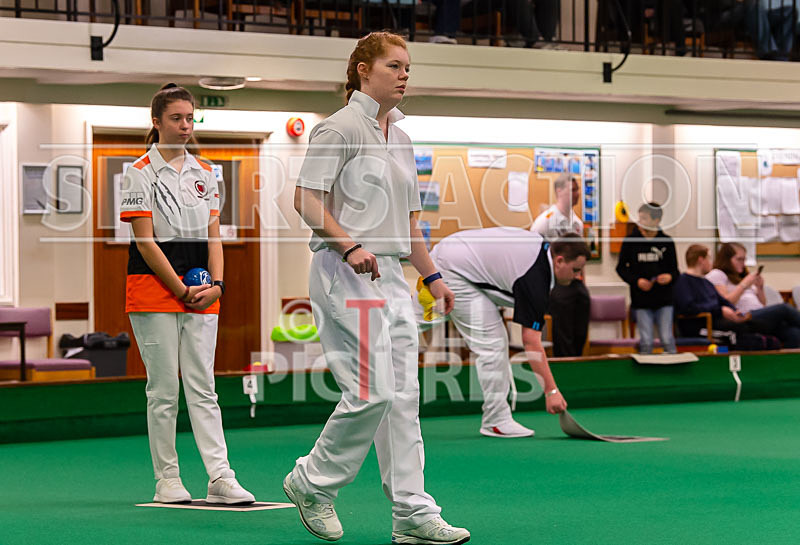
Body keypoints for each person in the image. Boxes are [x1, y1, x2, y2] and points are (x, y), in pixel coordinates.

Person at [286, 32, 470, 545]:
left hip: (392, 278)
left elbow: (410, 225)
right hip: (345, 273)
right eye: (395, 65)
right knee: (371, 393)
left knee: (404, 398)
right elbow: (305, 200)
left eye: (408, 67)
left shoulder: (404, 140)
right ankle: (312, 480)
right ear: (363, 70)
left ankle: (412, 512)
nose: (405, 74)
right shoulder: (337, 129)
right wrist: (349, 245)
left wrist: (432, 277)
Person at [120, 84, 255, 505]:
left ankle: (220, 478)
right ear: (156, 122)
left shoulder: (207, 173)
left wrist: (216, 286)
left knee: (204, 387)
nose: (184, 126)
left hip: (202, 292)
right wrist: (179, 288)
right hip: (152, 290)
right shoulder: (137, 171)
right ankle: (168, 480)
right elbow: (145, 242)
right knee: (163, 391)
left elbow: (215, 239)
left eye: (189, 118)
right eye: (176, 118)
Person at [430, 228, 585, 437]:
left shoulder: (541, 249)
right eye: (576, 270)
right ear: (559, 261)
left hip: (448, 255)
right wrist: (551, 391)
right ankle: (496, 420)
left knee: (409, 325)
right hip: (453, 270)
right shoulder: (537, 279)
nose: (579, 277)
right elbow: (531, 343)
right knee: (493, 344)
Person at [530, 174, 591, 357]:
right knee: (563, 328)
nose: (577, 193)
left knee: (582, 315)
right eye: (572, 189)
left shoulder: (577, 223)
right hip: (553, 282)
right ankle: (565, 361)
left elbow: (580, 258)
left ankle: (577, 358)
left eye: (577, 189)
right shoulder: (545, 221)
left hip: (574, 281)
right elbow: (531, 252)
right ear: (559, 191)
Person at [707, 242, 800, 347]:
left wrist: (760, 288)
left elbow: (762, 304)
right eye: (739, 259)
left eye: (744, 259)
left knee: (794, 333)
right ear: (727, 260)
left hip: (759, 317)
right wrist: (743, 285)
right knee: (784, 308)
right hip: (743, 318)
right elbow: (726, 301)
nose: (743, 263)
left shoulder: (742, 276)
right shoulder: (718, 274)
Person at [616, 202, 679, 354]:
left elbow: (675, 271)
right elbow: (621, 268)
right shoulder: (631, 241)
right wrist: (637, 281)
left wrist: (669, 277)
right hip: (641, 300)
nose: (640, 222)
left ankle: (674, 371)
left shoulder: (667, 242)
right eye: (640, 218)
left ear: (656, 221)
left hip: (664, 300)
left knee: (666, 338)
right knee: (646, 341)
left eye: (644, 218)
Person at [673, 244, 751, 338]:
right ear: (701, 260)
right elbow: (689, 308)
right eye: (709, 258)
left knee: (750, 322)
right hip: (700, 326)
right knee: (741, 328)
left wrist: (736, 311)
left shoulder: (706, 282)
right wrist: (719, 310)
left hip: (716, 321)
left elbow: (722, 301)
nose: (711, 263)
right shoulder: (683, 281)